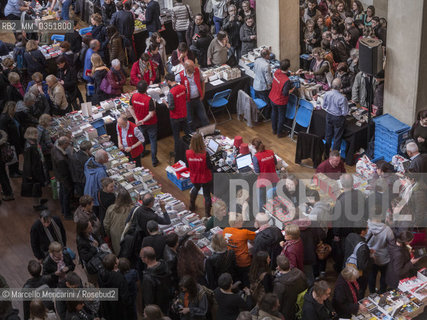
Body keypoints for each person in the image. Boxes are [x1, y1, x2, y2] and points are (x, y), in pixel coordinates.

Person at [129, 80, 159, 166]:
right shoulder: (149, 99)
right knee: (153, 140)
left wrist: (136, 119)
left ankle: (142, 153)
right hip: (151, 123)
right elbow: (151, 114)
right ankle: (154, 160)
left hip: (140, 123)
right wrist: (143, 120)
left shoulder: (133, 96)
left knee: (141, 138)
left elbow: (130, 108)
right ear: (146, 89)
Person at [176, 60, 209, 131]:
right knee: (190, 120)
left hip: (198, 99)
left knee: (204, 118)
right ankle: (193, 136)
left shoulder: (197, 70)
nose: (194, 67)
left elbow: (202, 81)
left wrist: (203, 94)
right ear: (187, 68)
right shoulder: (180, 76)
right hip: (187, 101)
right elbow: (176, 87)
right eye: (192, 67)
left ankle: (208, 133)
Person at [223, 213, 256, 286]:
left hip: (231, 261)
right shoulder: (244, 232)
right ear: (236, 223)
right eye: (241, 221)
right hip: (244, 262)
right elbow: (256, 236)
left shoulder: (225, 230)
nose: (243, 222)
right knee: (246, 279)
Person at [162, 73, 190, 159]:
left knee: (176, 136)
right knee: (187, 133)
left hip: (175, 117)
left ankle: (178, 153)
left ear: (169, 81)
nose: (166, 83)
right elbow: (185, 98)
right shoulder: (182, 87)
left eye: (166, 81)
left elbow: (171, 107)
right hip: (184, 114)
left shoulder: (171, 93)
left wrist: (165, 103)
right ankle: (190, 149)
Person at [186, 133, 213, 217]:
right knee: (207, 195)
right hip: (205, 177)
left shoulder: (188, 153)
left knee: (196, 188)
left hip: (194, 177)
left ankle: (192, 205)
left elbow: (187, 165)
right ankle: (207, 214)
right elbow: (210, 166)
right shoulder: (205, 154)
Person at [97, 254, 132, 320]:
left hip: (106, 303)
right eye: (116, 259)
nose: (118, 259)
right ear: (115, 264)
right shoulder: (119, 277)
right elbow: (125, 297)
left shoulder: (100, 273)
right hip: (118, 307)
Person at [273, 255, 308, 320]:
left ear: (278, 267)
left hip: (287, 312)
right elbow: (306, 287)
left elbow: (277, 303)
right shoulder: (300, 273)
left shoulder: (279, 284)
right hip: (301, 306)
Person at [22, 127, 49, 211]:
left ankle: (39, 200)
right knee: (35, 187)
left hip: (37, 168)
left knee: (38, 186)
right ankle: (37, 205)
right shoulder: (30, 147)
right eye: (35, 134)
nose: (37, 135)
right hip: (34, 171)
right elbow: (28, 162)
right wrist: (29, 174)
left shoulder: (33, 142)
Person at [366, 217, 394, 294]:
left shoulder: (366, 227)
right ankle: (382, 291)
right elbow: (392, 244)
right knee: (384, 275)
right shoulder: (387, 229)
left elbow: (363, 240)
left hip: (371, 256)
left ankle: (372, 293)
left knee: (372, 276)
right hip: (384, 257)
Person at [140, 246, 171, 314]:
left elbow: (148, 298)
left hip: (155, 310)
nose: (141, 258)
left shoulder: (148, 278)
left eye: (141, 257)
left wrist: (147, 311)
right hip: (165, 303)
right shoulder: (165, 265)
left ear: (146, 259)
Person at [323, 78, 349, 157]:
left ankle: (326, 154)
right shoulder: (342, 98)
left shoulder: (327, 94)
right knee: (337, 138)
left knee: (328, 136)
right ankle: (334, 157)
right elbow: (345, 113)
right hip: (338, 118)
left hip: (329, 116)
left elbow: (324, 106)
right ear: (341, 86)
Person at [269, 59, 295, 137]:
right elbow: (285, 93)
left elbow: (284, 74)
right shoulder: (286, 81)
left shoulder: (277, 72)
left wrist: (294, 73)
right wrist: (292, 90)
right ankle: (279, 133)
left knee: (274, 113)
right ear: (288, 68)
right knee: (281, 116)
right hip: (280, 101)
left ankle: (274, 129)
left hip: (272, 97)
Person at [251, 138, 279, 210]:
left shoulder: (256, 157)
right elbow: (275, 163)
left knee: (261, 199)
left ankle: (262, 213)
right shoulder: (271, 152)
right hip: (274, 179)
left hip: (263, 181)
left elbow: (257, 172)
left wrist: (252, 169)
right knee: (274, 197)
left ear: (254, 147)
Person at [344, 225, 370, 298]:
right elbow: (363, 266)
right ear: (362, 231)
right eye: (367, 228)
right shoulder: (363, 246)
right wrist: (371, 258)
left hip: (348, 266)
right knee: (359, 290)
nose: (368, 230)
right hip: (358, 274)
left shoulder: (349, 236)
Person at [104, 189, 132, 255]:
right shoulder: (132, 209)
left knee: (118, 250)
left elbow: (106, 224)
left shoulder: (111, 208)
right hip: (128, 235)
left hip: (115, 233)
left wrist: (109, 234)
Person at [51, 136, 73, 219]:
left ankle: (63, 209)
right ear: (64, 144)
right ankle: (67, 213)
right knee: (66, 195)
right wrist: (69, 185)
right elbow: (65, 174)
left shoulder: (54, 149)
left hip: (58, 176)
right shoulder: (61, 159)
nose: (68, 145)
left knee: (62, 193)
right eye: (68, 143)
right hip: (64, 179)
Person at [0, 101, 22, 181]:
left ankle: (16, 170)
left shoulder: (12, 116)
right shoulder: (4, 118)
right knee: (12, 157)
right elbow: (3, 131)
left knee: (16, 156)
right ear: (11, 108)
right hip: (11, 141)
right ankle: (12, 173)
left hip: (16, 140)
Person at [84, 149, 108, 214]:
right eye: (106, 157)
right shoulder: (101, 172)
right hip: (95, 195)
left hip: (87, 189)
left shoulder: (89, 162)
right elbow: (103, 186)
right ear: (101, 160)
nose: (108, 158)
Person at [253, 48, 272, 115]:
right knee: (267, 103)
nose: (270, 56)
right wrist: (270, 84)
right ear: (266, 56)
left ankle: (259, 113)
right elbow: (268, 78)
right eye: (269, 54)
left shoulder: (257, 60)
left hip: (256, 85)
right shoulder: (266, 65)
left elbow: (254, 70)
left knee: (260, 101)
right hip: (263, 87)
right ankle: (265, 115)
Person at [0, 130, 13, 202]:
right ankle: (8, 191)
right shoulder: (2, 134)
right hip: (2, 159)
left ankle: (8, 193)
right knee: (4, 175)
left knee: (2, 177)